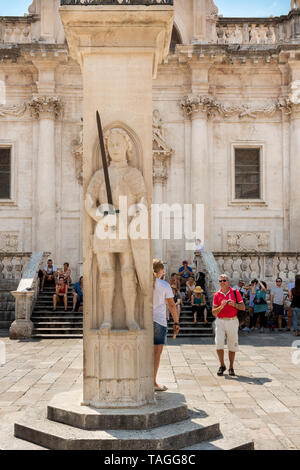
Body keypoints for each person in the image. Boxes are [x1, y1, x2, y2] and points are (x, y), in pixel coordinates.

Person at [153, 259, 180, 392]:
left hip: (144, 321)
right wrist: (176, 321)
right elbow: (171, 305)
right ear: (160, 271)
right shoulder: (163, 285)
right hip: (158, 321)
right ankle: (152, 381)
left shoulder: (143, 284)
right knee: (156, 354)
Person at [212, 274, 245, 377]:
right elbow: (213, 312)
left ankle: (231, 367)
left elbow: (243, 307)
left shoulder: (235, 292)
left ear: (228, 282)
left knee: (232, 344)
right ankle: (222, 365)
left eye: (224, 280)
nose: (222, 282)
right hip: (220, 321)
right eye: (220, 281)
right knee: (219, 344)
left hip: (232, 321)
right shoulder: (217, 295)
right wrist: (221, 307)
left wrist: (234, 305)